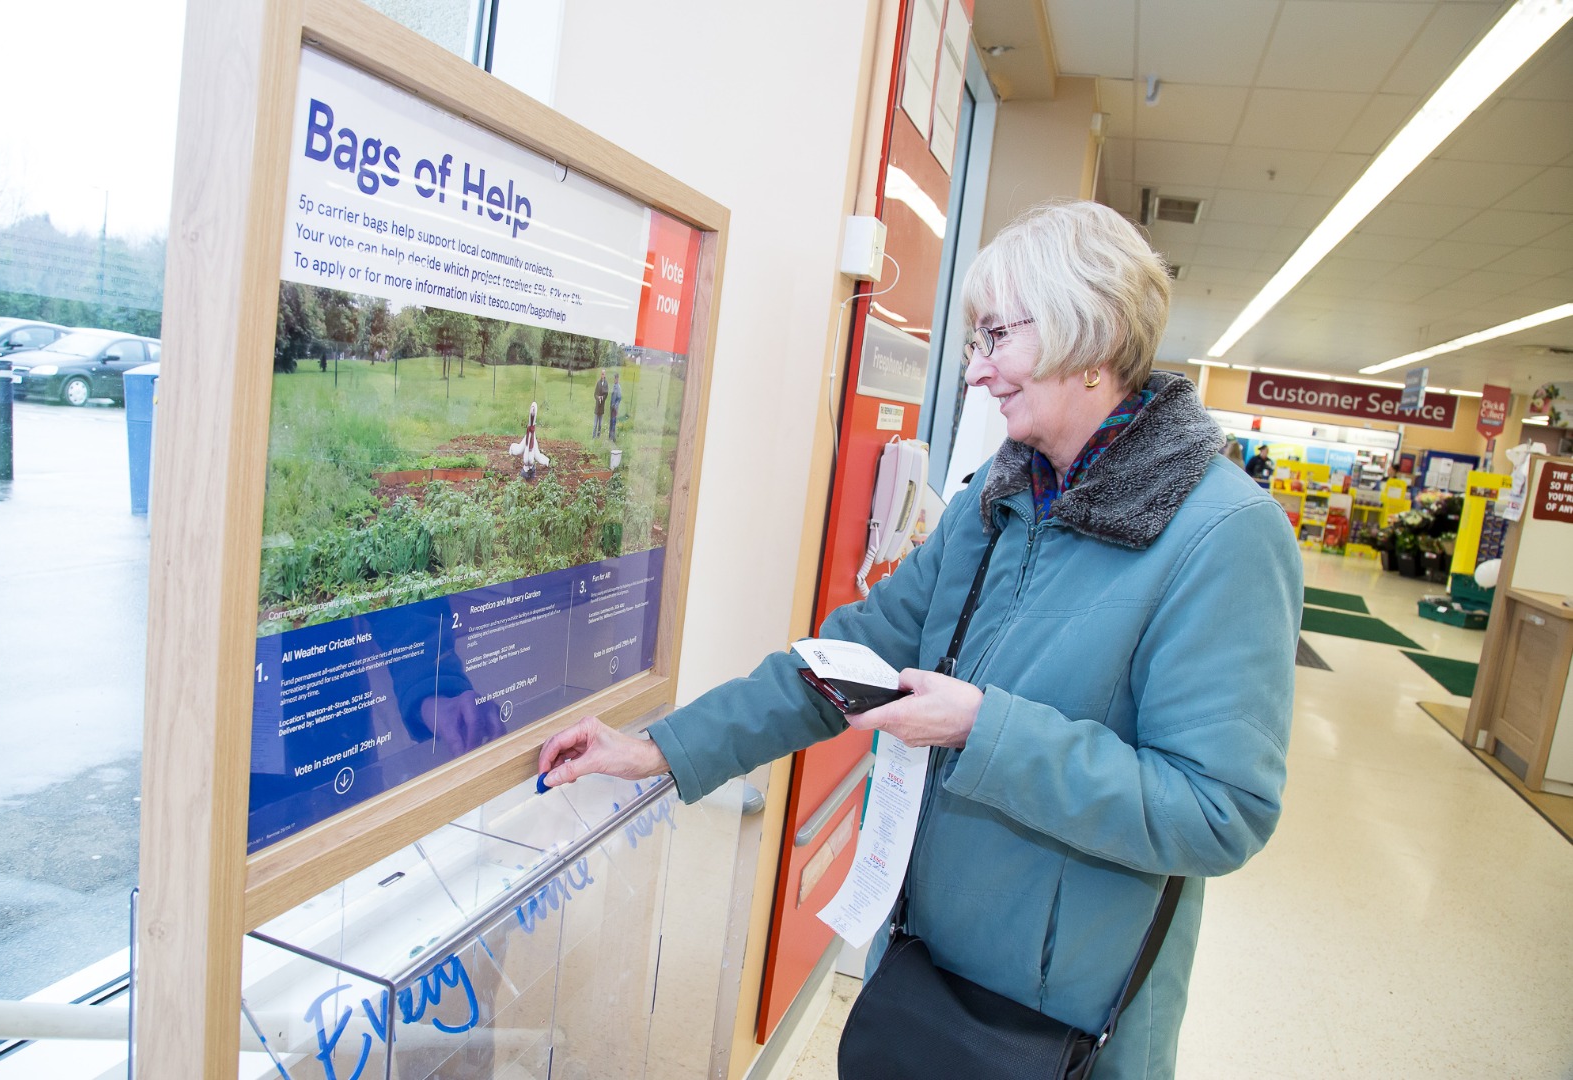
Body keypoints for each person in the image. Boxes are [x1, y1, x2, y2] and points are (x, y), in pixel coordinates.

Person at [539, 200, 1301, 1078]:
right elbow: (847, 663)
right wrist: (660, 750)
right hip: (926, 979)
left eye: (996, 339)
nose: (975, 372)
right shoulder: (998, 505)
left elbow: (1219, 811)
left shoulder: (1224, 535)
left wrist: (985, 730)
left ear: (1092, 340)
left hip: (1064, 1027)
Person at [593, 369, 609, 438]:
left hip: (602, 407)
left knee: (600, 424)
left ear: (605, 374)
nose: (603, 375)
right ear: (601, 374)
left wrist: (602, 398)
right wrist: (598, 397)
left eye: (604, 373)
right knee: (595, 424)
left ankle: (598, 436)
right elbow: (595, 394)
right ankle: (593, 437)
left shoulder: (606, 384)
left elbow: (606, 394)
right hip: (597, 407)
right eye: (602, 373)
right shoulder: (598, 383)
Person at [609, 373, 623, 442]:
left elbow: (619, 398)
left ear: (617, 379)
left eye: (615, 378)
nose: (614, 380)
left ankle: (613, 438)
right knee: (611, 422)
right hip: (611, 407)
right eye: (614, 378)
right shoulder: (614, 386)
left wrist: (615, 406)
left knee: (613, 422)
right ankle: (610, 437)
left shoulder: (618, 387)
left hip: (614, 408)